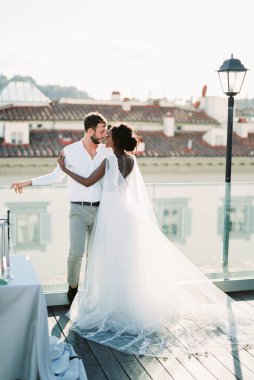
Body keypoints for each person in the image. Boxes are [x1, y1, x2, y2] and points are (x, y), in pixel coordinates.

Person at [58, 122, 254, 358]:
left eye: (109, 136)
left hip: (111, 215)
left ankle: (112, 305)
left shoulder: (108, 160)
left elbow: (88, 181)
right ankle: (127, 304)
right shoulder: (131, 161)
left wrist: (64, 168)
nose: (106, 139)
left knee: (110, 260)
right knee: (128, 261)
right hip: (128, 214)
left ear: (116, 140)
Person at [11, 112, 112, 304]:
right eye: (101, 131)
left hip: (102, 211)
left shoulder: (106, 152)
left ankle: (91, 290)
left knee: (96, 254)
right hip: (78, 210)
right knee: (76, 252)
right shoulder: (70, 151)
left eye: (105, 132)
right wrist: (28, 182)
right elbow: (55, 176)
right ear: (89, 130)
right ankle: (72, 287)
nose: (104, 135)